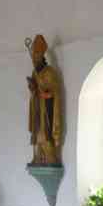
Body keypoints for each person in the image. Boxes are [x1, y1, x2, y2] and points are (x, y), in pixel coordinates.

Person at [27, 34, 63, 165]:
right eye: (33, 59)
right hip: (37, 108)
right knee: (36, 135)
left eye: (36, 58)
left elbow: (55, 92)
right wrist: (33, 89)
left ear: (42, 57)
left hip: (47, 110)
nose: (35, 62)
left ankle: (50, 159)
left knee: (45, 134)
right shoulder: (34, 73)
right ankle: (37, 159)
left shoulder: (50, 72)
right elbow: (34, 91)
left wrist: (47, 94)